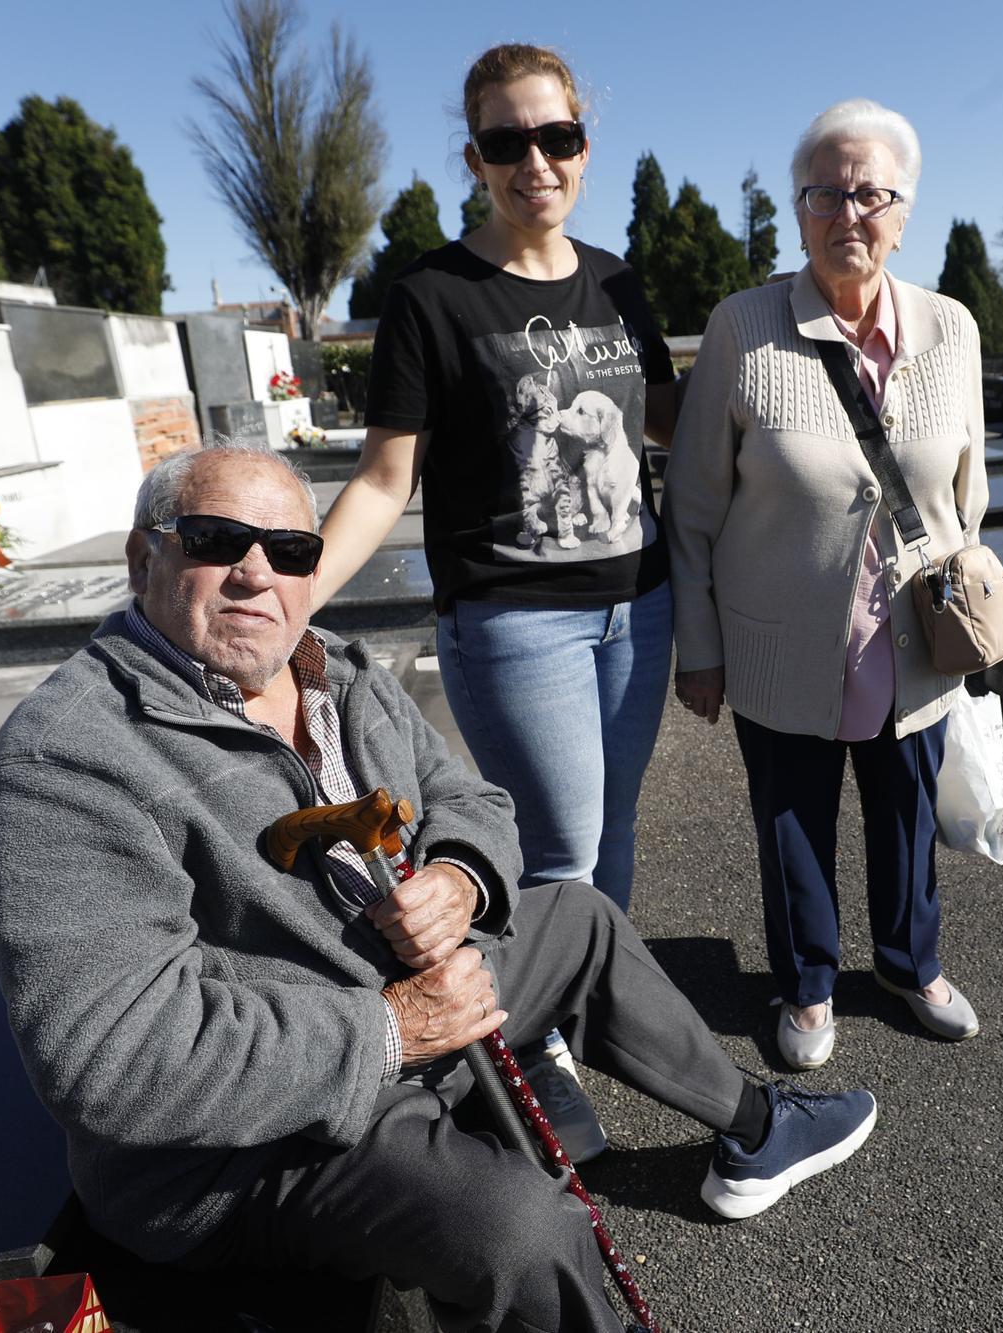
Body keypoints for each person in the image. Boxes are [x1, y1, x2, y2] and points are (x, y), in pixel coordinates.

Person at [0, 444, 877, 1333]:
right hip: (247, 1144)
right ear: (142, 557)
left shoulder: (337, 673)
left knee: (581, 919)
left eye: (290, 550)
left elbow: (466, 796)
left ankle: (756, 1125)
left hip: (395, 1006)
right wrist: (394, 1028)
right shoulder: (65, 762)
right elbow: (113, 1057)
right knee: (522, 1227)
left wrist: (460, 877)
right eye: (217, 541)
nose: (256, 573)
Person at [313, 43, 676, 1157]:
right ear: (473, 156)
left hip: (639, 606)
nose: (536, 161)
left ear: (581, 144)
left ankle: (576, 997)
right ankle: (532, 1043)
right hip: (519, 622)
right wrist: (291, 598)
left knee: (608, 835)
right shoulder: (430, 294)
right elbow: (386, 477)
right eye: (508, 142)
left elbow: (671, 419)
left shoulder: (614, 280)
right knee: (555, 849)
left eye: (555, 137)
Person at [662, 99, 986, 1072]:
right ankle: (804, 983)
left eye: (870, 193)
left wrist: (962, 591)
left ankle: (907, 963)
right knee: (792, 823)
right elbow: (689, 504)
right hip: (780, 640)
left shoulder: (951, 326)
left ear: (903, 208)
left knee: (906, 816)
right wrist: (700, 645)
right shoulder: (742, 326)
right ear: (797, 208)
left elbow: (971, 483)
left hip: (912, 642)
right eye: (824, 193)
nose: (848, 212)